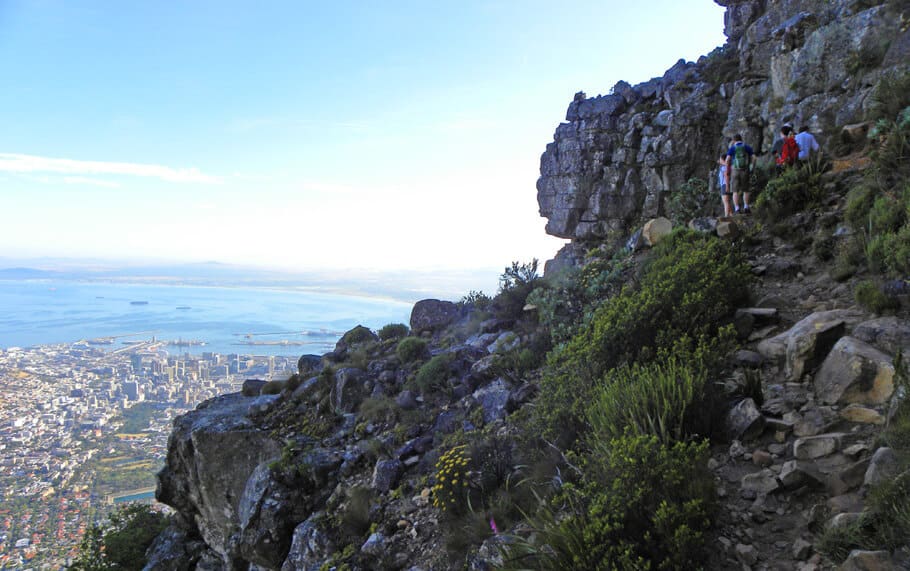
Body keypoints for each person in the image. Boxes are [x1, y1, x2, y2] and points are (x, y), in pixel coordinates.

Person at [726, 134, 756, 213]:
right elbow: (754, 157)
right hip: (745, 170)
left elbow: (727, 160)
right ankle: (746, 207)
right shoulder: (746, 147)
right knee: (746, 190)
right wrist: (752, 166)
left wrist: (728, 168)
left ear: (734, 140)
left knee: (735, 191)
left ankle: (737, 208)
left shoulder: (732, 148)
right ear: (741, 139)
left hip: (735, 170)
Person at [717, 153, 733, 217]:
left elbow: (726, 177)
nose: (719, 160)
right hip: (726, 184)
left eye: (720, 159)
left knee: (725, 201)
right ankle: (731, 214)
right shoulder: (728, 166)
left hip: (724, 185)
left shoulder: (724, 167)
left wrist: (726, 186)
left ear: (723, 160)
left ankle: (726, 216)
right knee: (727, 201)